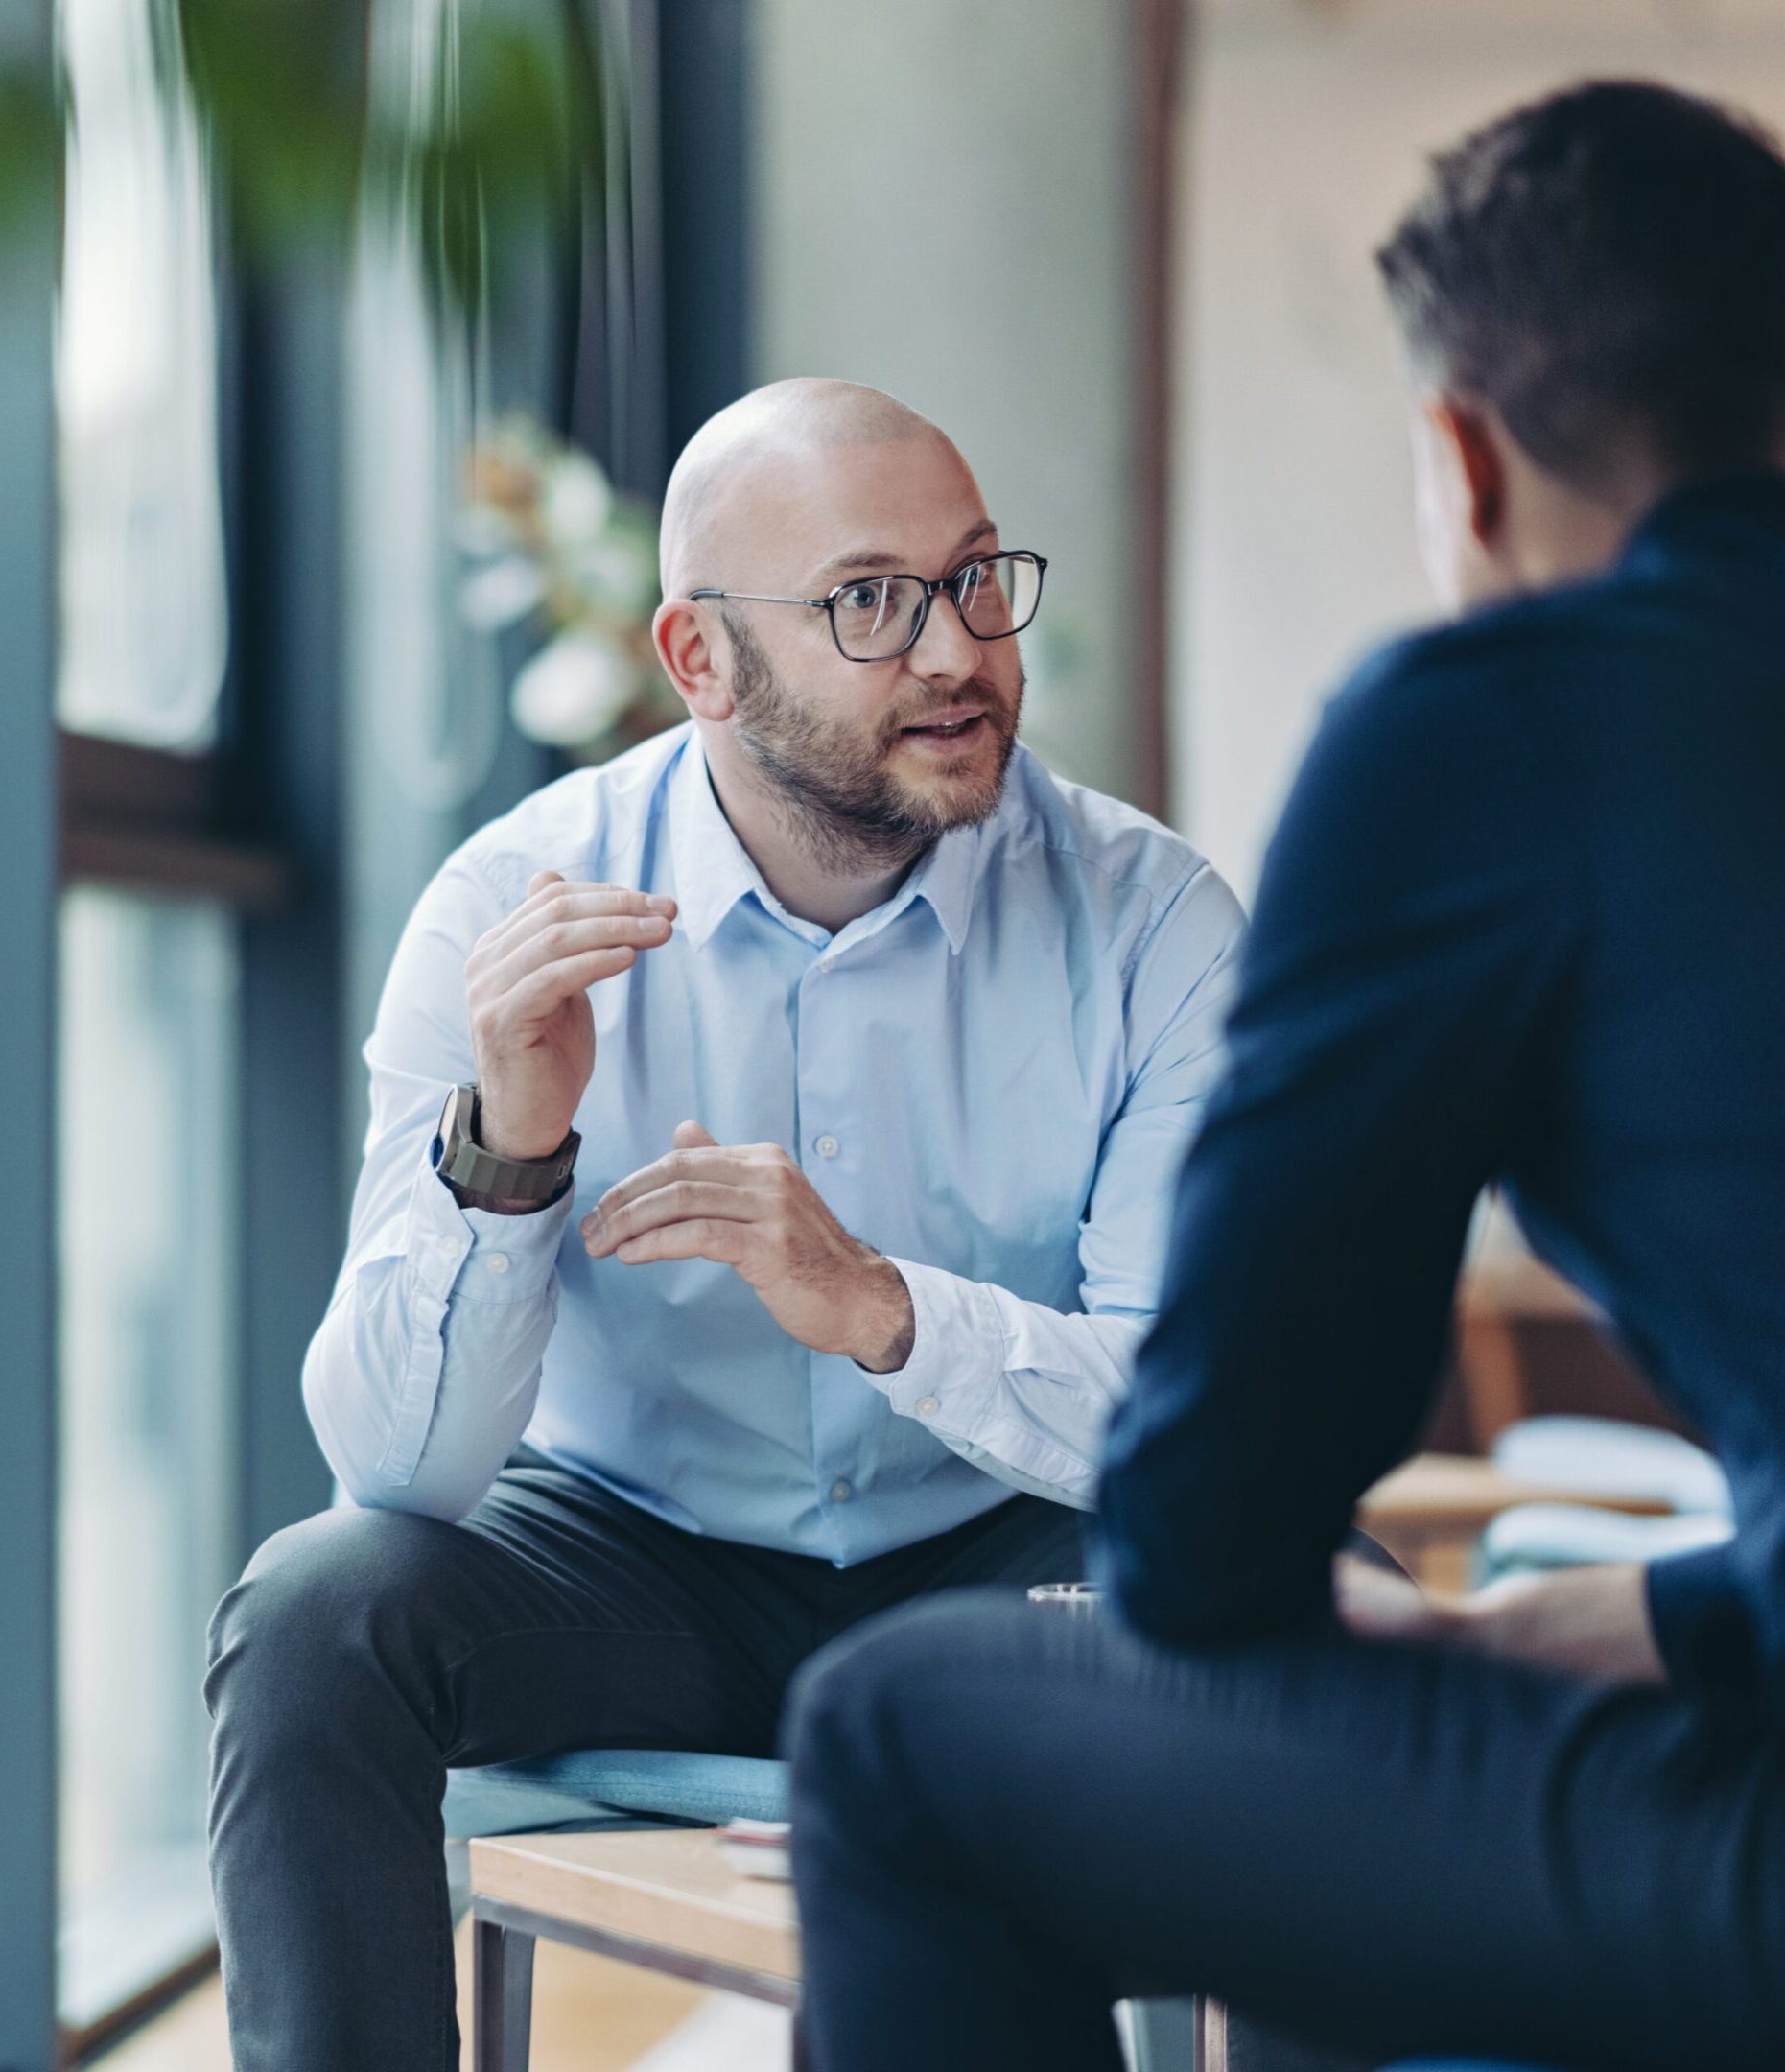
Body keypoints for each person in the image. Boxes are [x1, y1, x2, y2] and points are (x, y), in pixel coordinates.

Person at [783, 80, 1785, 2072]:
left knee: (894, 1733)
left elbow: (1205, 1528)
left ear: (1460, 458)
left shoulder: (1494, 722)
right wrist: (1555, 1632)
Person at [202, 378, 1246, 2071]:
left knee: (1316, 1613)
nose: (957, 652)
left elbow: (1197, 1426)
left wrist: (886, 1312)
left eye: (978, 580)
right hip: (639, 1571)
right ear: (699, 661)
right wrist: (512, 1150)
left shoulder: (1155, 927)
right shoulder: (508, 906)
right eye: (870, 603)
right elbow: (398, 1476)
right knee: (319, 1616)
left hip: (1002, 1565)